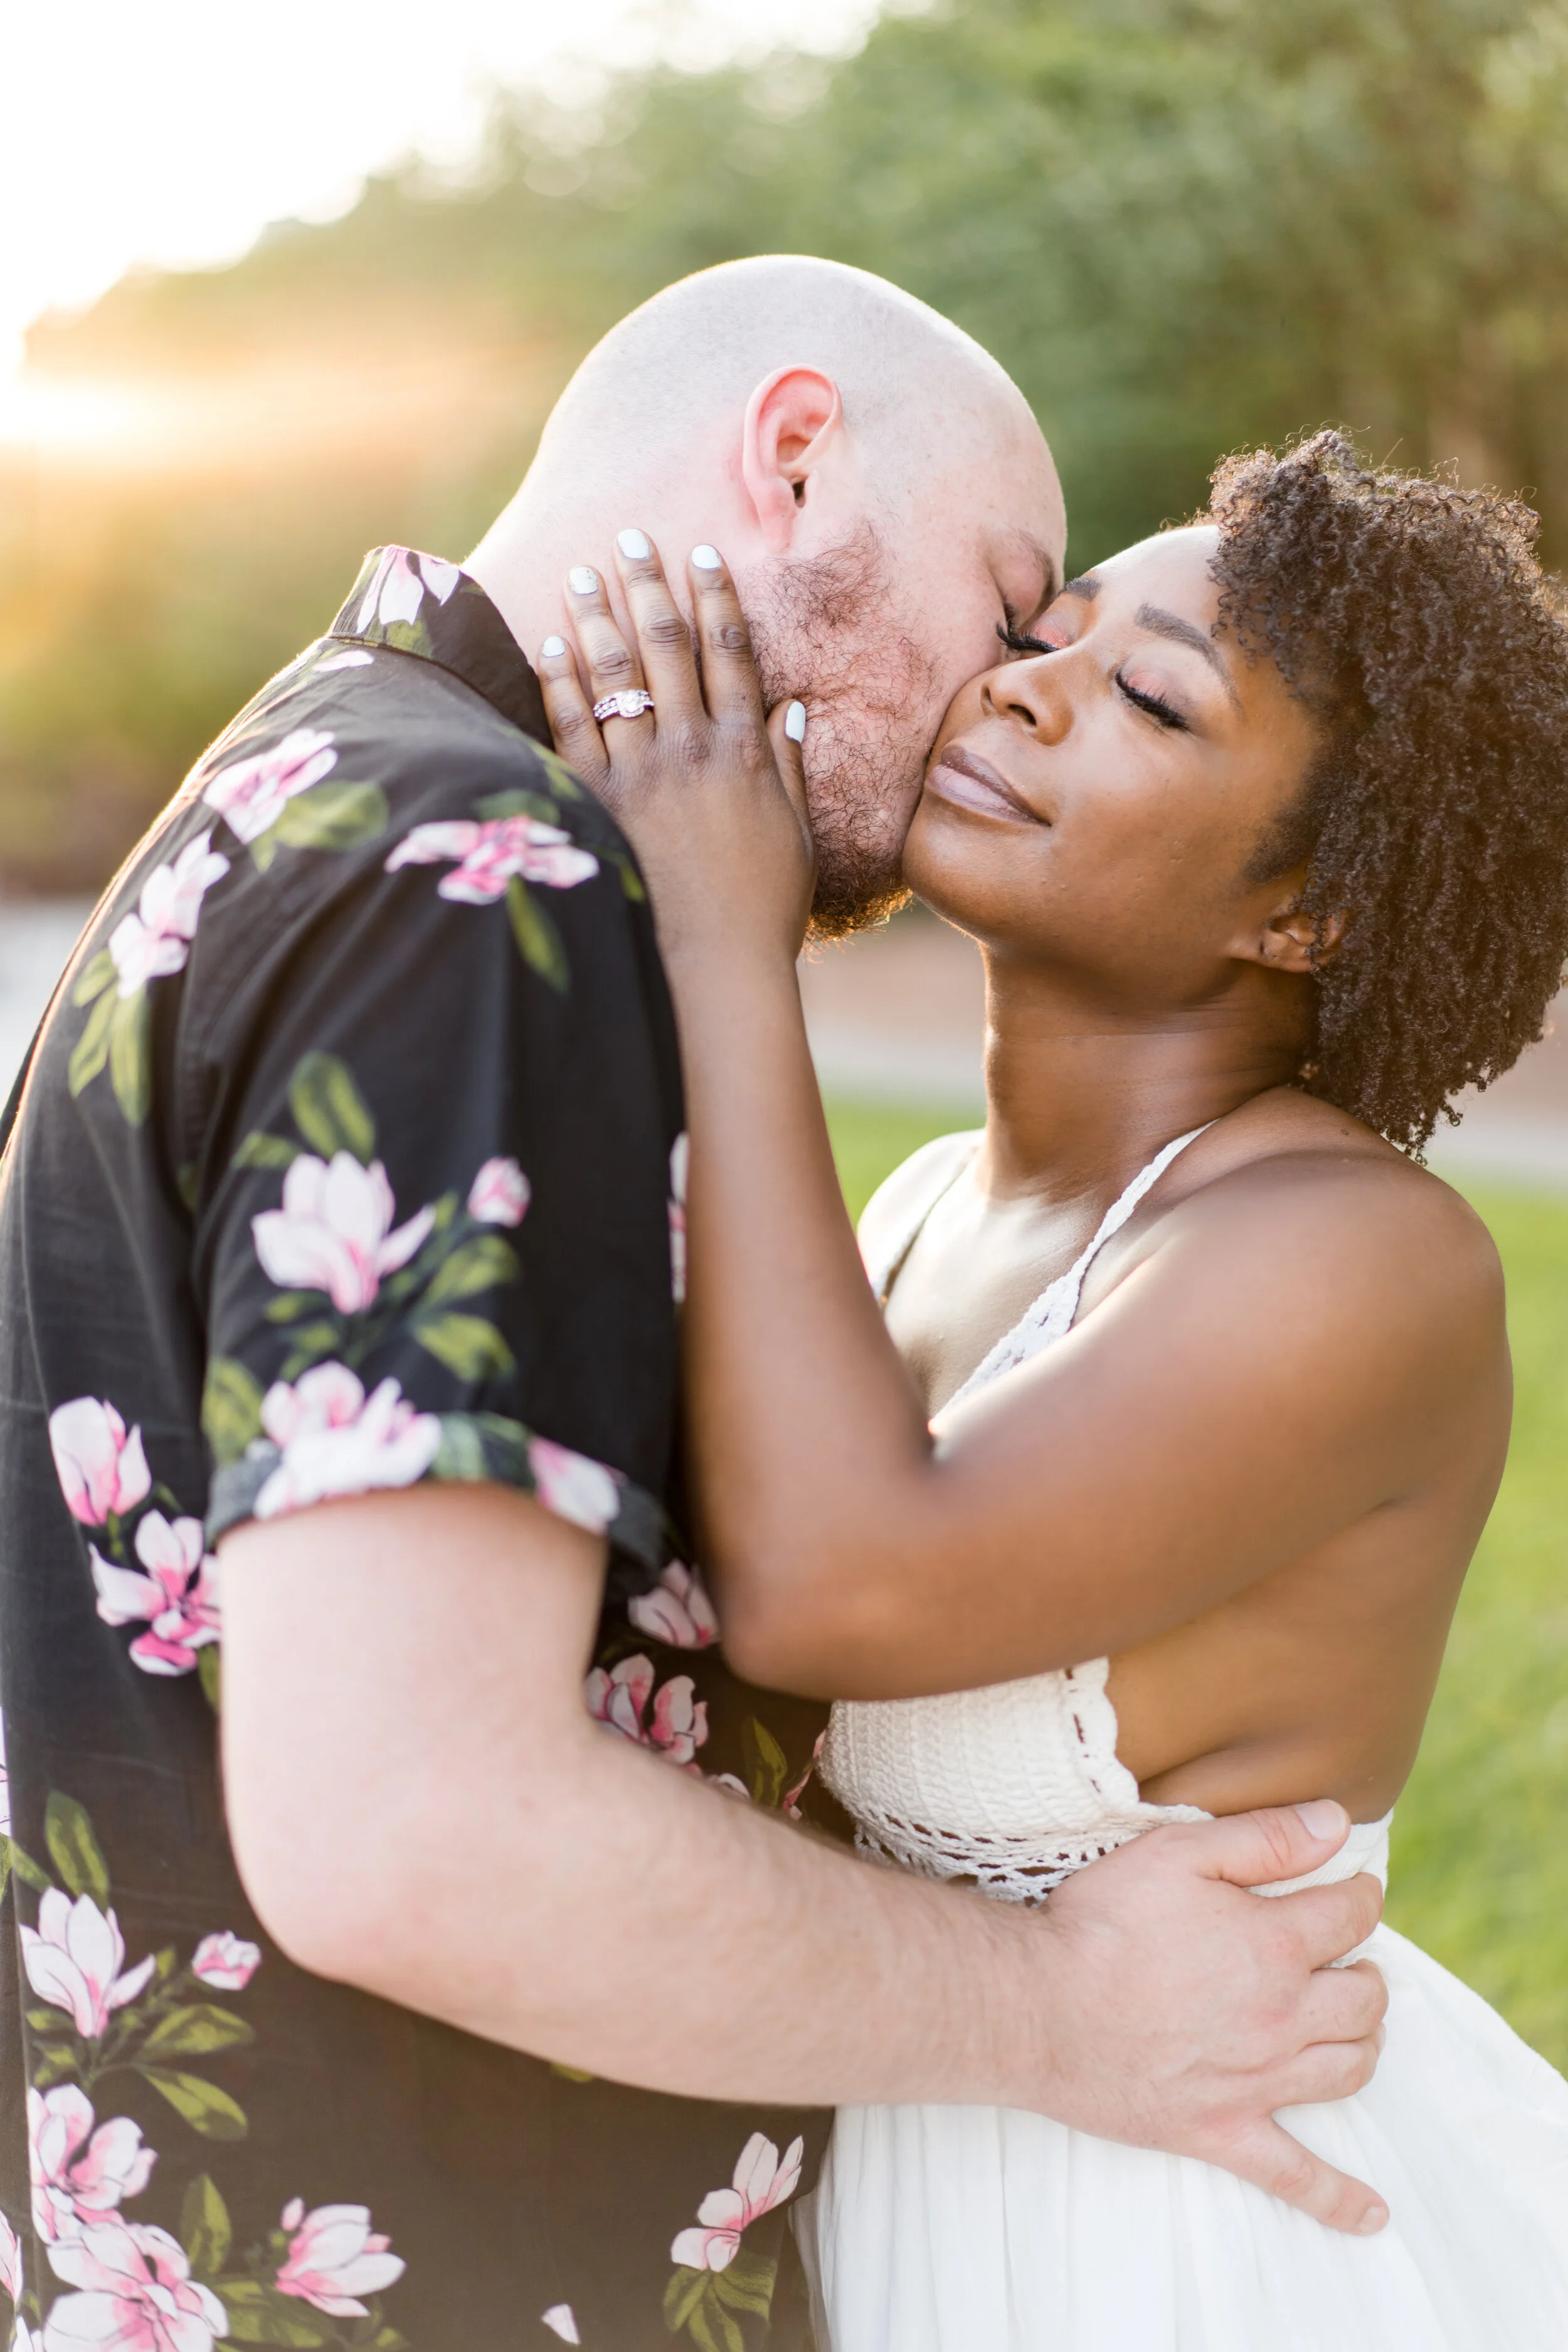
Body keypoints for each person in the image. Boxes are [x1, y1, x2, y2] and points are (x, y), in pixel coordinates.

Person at [0, 260, 1385, 2352]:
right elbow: (412, 1830)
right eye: (1010, 603)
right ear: (796, 456)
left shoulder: (311, 773)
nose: (997, 691)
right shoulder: (482, 873)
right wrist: (1065, 2010)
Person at [537, 428, 1568, 2350]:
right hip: (886, 2176)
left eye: (1148, 700)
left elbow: (828, 1589)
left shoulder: (1360, 1257)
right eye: (1043, 635)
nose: (1019, 688)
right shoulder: (926, 1201)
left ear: (1306, 912)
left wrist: (720, 934)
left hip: (1169, 2244)